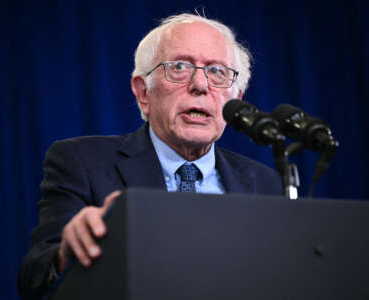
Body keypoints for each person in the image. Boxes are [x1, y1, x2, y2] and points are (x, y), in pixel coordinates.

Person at [18, 13, 282, 300]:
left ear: (236, 101)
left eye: (217, 71)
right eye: (179, 67)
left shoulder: (264, 182)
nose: (201, 85)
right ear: (143, 92)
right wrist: (65, 255)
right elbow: (34, 279)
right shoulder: (81, 161)